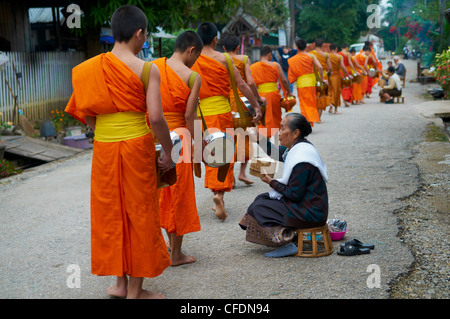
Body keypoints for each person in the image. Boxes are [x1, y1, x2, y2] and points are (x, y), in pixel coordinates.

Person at [65, 4, 172, 299]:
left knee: (111, 213)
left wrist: (107, 125)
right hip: (137, 147)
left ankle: (120, 284)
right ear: (139, 34)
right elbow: (157, 117)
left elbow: (84, 112)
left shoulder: (90, 69)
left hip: (104, 149)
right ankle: (136, 291)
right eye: (146, 34)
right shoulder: (148, 69)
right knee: (139, 212)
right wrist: (169, 150)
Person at [191, 22, 263, 221]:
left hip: (201, 114)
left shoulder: (192, 59)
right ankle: (219, 194)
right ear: (215, 39)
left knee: (210, 151)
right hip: (223, 111)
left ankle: (216, 192)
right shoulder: (224, 59)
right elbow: (242, 84)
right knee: (225, 153)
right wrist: (256, 105)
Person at [239, 113, 328, 256]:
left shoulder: (302, 158)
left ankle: (288, 240)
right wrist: (259, 139)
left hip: (310, 212)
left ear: (295, 133)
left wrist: (272, 182)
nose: (278, 133)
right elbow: (276, 153)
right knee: (262, 198)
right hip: (307, 205)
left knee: (260, 207)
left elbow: (294, 194)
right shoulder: (298, 147)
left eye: (282, 128)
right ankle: (289, 237)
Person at [153, 31, 203, 266]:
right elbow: (190, 115)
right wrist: (201, 143)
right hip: (179, 137)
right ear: (191, 50)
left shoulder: (151, 68)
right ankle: (176, 254)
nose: (195, 62)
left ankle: (168, 247)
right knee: (179, 193)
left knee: (162, 191)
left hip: (155, 135)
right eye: (196, 56)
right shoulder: (192, 76)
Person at [222, 34, 263, 185]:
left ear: (224, 48)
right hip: (243, 101)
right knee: (246, 136)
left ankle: (230, 176)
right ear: (238, 47)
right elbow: (250, 82)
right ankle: (242, 173)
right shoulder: (243, 59)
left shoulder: (219, 60)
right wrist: (257, 99)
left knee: (228, 138)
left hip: (225, 102)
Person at [251, 46, 293, 138]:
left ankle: (264, 138)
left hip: (261, 96)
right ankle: (277, 137)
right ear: (270, 55)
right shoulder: (275, 65)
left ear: (260, 55)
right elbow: (284, 80)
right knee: (275, 116)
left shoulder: (253, 67)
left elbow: (251, 83)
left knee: (263, 118)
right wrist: (289, 92)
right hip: (274, 95)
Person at [288, 38, 323, 127]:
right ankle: (309, 122)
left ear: (297, 47)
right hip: (311, 82)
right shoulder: (311, 56)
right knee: (311, 103)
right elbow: (320, 67)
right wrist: (321, 79)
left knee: (304, 104)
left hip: (301, 83)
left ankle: (307, 122)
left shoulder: (293, 59)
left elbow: (291, 74)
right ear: (306, 47)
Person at [310, 38, 332, 121]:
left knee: (314, 96)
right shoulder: (326, 55)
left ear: (314, 44)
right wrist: (329, 72)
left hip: (313, 77)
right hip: (323, 77)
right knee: (322, 96)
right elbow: (330, 68)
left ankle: (313, 116)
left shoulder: (310, 54)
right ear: (322, 45)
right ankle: (319, 118)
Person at [328, 43, 352, 114]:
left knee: (330, 91)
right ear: (336, 49)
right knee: (337, 91)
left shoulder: (327, 56)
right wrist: (347, 75)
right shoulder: (339, 57)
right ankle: (335, 109)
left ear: (329, 49)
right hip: (337, 75)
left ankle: (330, 105)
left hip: (329, 75)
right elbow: (343, 67)